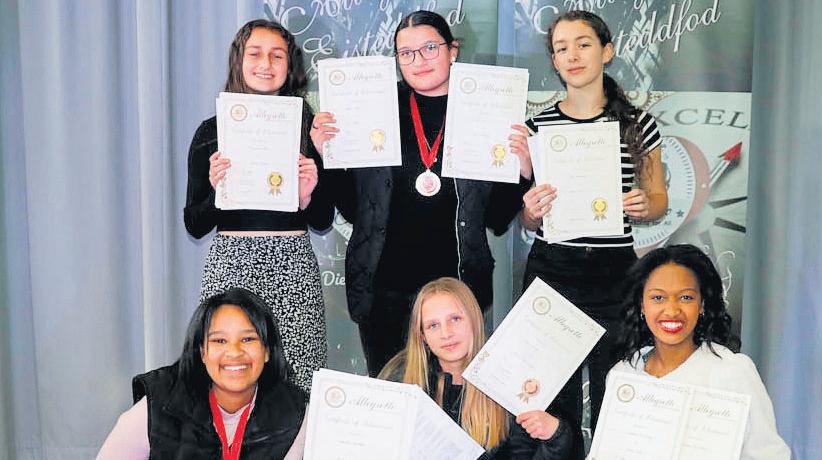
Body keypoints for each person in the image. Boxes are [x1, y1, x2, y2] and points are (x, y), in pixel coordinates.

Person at [312, 10, 532, 378]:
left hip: (457, 293)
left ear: (453, 50)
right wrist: (328, 156)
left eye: (430, 48)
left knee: (455, 399)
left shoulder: (484, 110)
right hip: (384, 292)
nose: (419, 60)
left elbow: (496, 218)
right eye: (407, 53)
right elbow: (354, 210)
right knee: (391, 397)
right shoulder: (375, 109)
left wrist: (522, 171)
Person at [517, 10, 669, 456]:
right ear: (554, 60)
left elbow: (658, 200)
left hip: (614, 272)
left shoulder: (638, 124)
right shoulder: (536, 128)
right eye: (561, 48)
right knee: (552, 399)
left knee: (616, 392)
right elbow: (527, 220)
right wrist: (530, 212)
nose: (573, 55)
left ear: (607, 51)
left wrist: (643, 204)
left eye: (583, 44)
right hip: (552, 270)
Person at [183, 19, 332, 392]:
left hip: (293, 264)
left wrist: (307, 194)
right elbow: (194, 224)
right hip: (231, 264)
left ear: (290, 65)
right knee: (230, 375)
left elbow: (323, 220)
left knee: (300, 375)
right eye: (255, 53)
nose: (266, 64)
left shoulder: (310, 128)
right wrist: (216, 191)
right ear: (238, 60)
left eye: (277, 55)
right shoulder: (211, 131)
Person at [607, 245, 791, 459]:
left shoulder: (733, 372)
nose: (672, 311)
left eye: (686, 297)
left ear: (702, 304)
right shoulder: (624, 374)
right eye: (658, 298)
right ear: (641, 305)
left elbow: (769, 455)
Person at [98, 288, 308, 459]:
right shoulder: (159, 404)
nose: (234, 352)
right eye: (219, 340)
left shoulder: (295, 414)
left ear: (267, 351)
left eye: (247, 339)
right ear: (202, 353)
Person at [379, 277, 571, 459]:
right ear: (422, 336)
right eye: (433, 325)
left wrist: (556, 436)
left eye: (455, 319)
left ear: (474, 320)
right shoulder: (399, 378)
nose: (446, 333)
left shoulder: (510, 380)